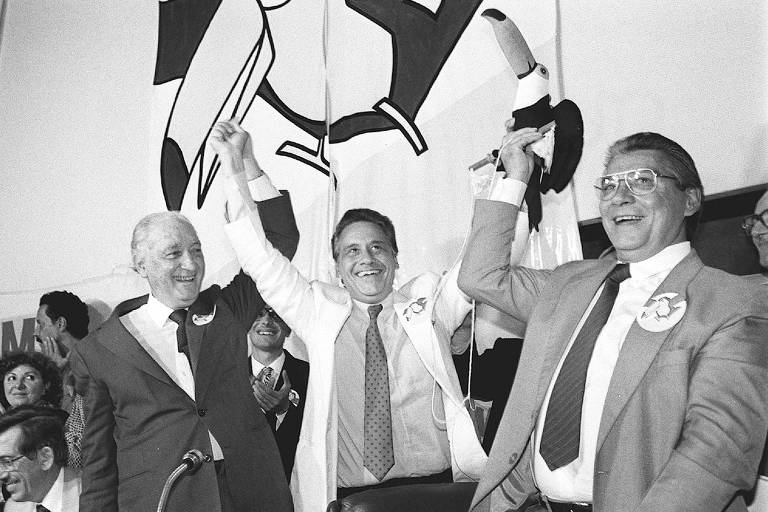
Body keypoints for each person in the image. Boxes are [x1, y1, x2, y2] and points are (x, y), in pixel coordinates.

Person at [211, 119, 516, 512]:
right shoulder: (315, 309)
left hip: (437, 495)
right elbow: (259, 258)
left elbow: (482, 260)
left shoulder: (429, 303)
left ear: (394, 257)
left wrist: (508, 179)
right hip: (349, 501)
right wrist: (236, 166)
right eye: (351, 251)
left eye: (377, 247)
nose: (366, 259)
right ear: (337, 267)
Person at [458, 126, 768, 511]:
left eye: (642, 181)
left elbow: (718, 450)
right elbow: (480, 277)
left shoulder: (732, 301)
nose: (620, 197)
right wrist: (515, 176)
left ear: (689, 200)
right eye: (608, 185)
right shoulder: (568, 283)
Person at [69, 140, 299, 512]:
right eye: (173, 253)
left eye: (196, 250)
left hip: (252, 494)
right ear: (140, 266)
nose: (190, 265)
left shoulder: (226, 309)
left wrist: (246, 163)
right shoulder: (99, 350)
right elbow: (98, 466)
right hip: (167, 501)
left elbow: (281, 240)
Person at [247, 305, 308, 480]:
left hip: (294, 487)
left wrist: (283, 411)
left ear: (289, 327)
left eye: (275, 315)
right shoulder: (228, 378)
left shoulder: (311, 375)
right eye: (258, 314)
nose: (266, 321)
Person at [34, 290, 90, 468]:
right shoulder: (56, 371)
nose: (36, 333)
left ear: (60, 324)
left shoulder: (92, 363)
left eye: (41, 324)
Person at [0, 405, 80, 511]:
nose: (2, 475)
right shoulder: (14, 507)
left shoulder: (92, 499)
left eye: (7, 462)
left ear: (45, 458)